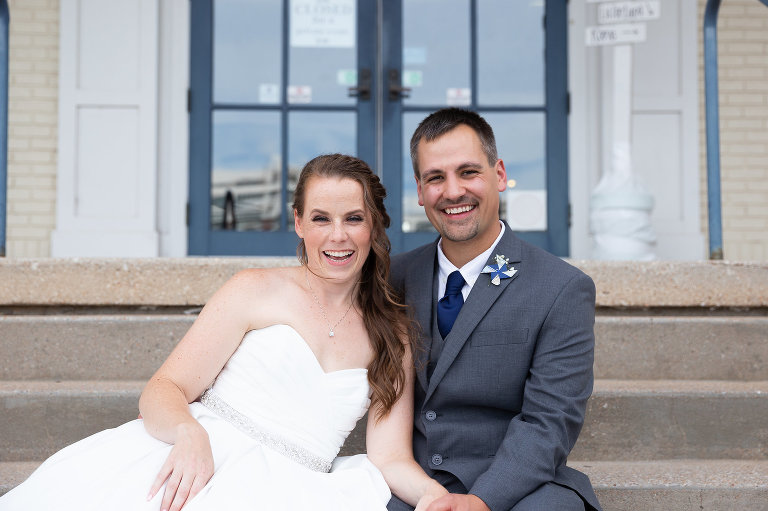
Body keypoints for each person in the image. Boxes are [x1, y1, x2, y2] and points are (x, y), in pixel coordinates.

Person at [0, 154, 447, 511]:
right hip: (203, 456)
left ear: (374, 226)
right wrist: (188, 434)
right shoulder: (253, 289)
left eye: (353, 218)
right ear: (297, 223)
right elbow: (164, 388)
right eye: (320, 218)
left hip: (299, 490)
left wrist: (434, 495)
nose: (338, 236)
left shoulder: (392, 334)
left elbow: (389, 457)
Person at [387, 108, 602, 511]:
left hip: (516, 486)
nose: (452, 192)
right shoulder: (393, 278)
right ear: (419, 190)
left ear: (499, 175)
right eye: (435, 177)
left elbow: (550, 421)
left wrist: (483, 500)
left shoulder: (561, 288)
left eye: (468, 172)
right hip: (413, 481)